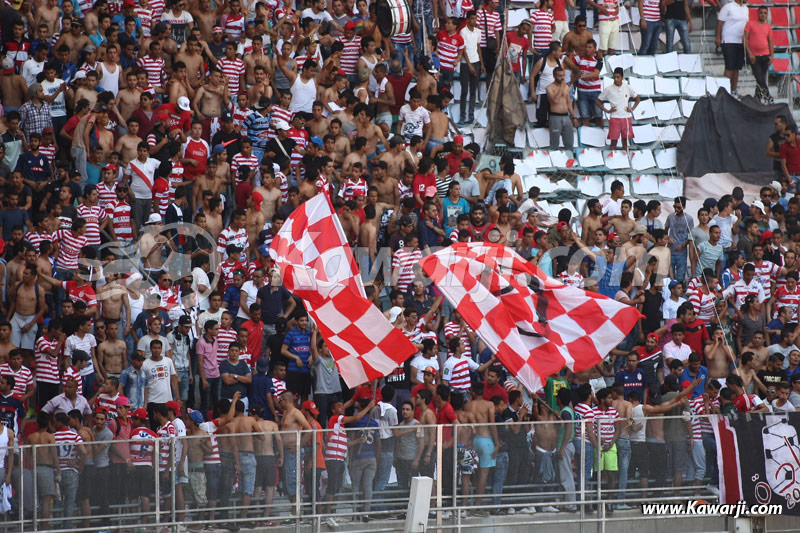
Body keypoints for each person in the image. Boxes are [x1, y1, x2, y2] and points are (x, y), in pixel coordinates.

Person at [596, 68, 640, 151]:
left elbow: (637, 98)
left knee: (625, 141)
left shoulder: (627, 87)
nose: (616, 79)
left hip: (626, 117)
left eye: (618, 77)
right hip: (615, 117)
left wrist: (632, 109)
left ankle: (626, 160)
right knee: (613, 141)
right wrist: (607, 110)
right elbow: (598, 100)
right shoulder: (609, 89)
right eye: (614, 77)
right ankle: (613, 159)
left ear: (622, 77)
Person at [716, 0, 749, 96]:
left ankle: (733, 91)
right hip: (728, 40)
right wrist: (718, 37)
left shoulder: (746, 8)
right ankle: (724, 92)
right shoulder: (728, 7)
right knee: (729, 67)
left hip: (740, 41)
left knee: (736, 68)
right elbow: (720, 22)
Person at [744, 6, 774, 103]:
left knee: (761, 79)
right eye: (761, 12)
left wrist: (772, 55)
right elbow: (744, 39)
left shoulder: (768, 27)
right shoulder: (750, 24)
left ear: (767, 15)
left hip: (765, 55)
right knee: (759, 78)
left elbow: (770, 42)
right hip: (754, 56)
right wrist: (750, 53)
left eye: (765, 13)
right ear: (758, 13)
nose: (763, 15)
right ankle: (769, 98)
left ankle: (756, 99)